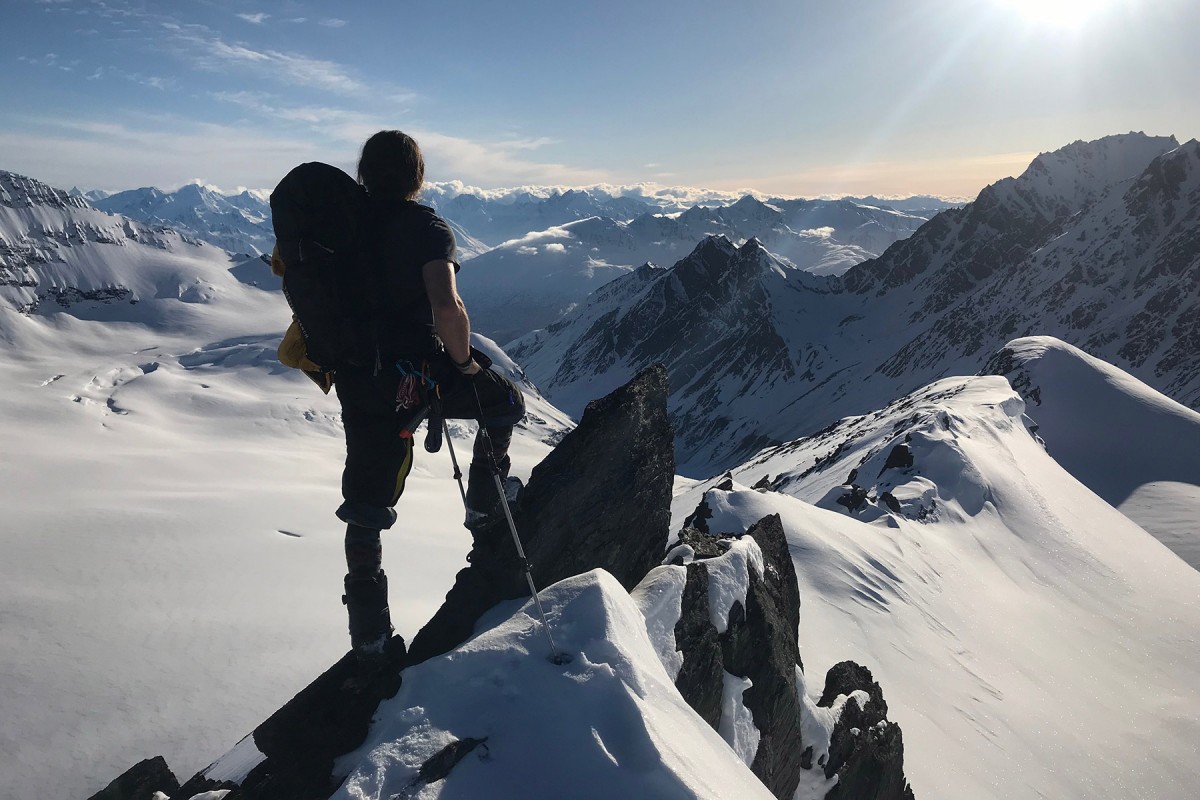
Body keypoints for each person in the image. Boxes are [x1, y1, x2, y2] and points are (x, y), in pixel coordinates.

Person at [334, 130, 525, 662]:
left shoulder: (341, 224)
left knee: (366, 503)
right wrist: (465, 365)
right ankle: (486, 512)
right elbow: (447, 308)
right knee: (503, 403)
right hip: (415, 372)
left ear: (364, 174)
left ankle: (369, 641)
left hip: (356, 375)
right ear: (417, 176)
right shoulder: (426, 227)